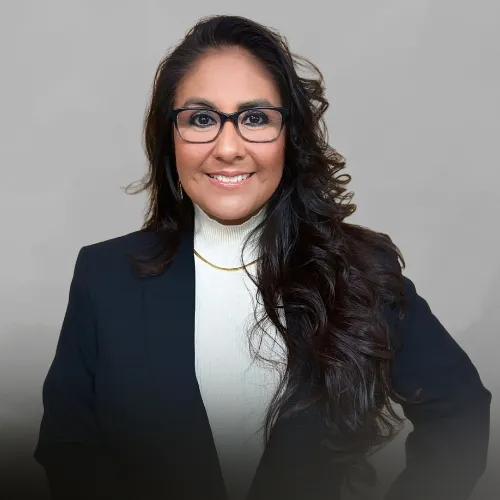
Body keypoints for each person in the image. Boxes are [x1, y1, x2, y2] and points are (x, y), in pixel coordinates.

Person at [34, 14, 491, 500]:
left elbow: (459, 410)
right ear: (170, 138)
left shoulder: (361, 270)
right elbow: (69, 448)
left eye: (255, 118)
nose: (228, 148)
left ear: (289, 137)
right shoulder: (105, 277)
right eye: (201, 119)